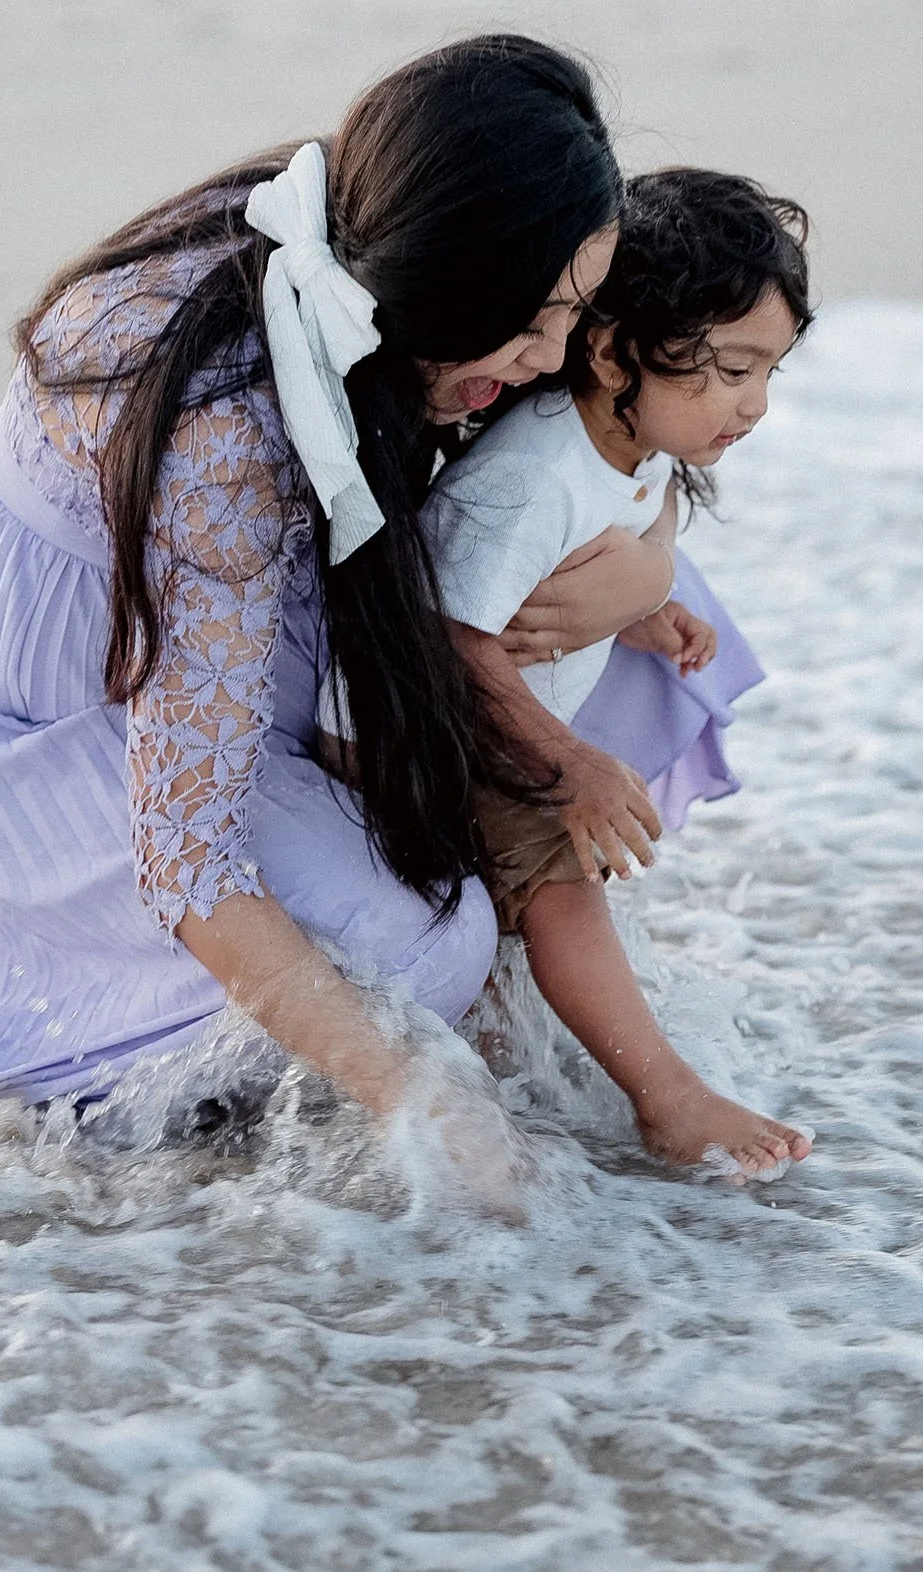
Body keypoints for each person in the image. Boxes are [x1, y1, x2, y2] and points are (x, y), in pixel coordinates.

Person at [0, 36, 668, 1130]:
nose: (549, 357)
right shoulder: (227, 428)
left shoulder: (364, 220)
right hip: (41, 686)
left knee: (614, 611)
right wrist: (420, 1104)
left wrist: (644, 571)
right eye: (530, 323)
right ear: (437, 281)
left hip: (226, 596)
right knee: (420, 950)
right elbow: (185, 860)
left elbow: (643, 440)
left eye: (571, 313)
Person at [325, 167, 816, 1176]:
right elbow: (451, 636)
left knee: (537, 892)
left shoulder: (629, 442)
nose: (754, 404)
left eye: (769, 371)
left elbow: (539, 592)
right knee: (563, 879)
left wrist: (642, 612)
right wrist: (568, 762)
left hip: (466, 715)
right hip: (408, 730)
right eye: (725, 370)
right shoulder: (531, 474)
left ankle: (521, 1046)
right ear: (606, 350)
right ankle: (665, 1099)